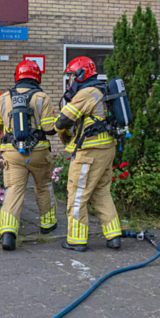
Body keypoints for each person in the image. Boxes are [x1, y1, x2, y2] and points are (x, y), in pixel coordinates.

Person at [0, 60, 60, 251]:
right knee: (43, 186)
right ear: (37, 77)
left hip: (11, 152)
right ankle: (47, 224)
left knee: (13, 189)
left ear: (17, 77)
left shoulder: (4, 98)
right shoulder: (42, 97)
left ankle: (8, 233)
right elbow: (49, 128)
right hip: (38, 152)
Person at [54, 56, 123, 251]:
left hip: (90, 152)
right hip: (106, 148)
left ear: (80, 74)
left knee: (77, 195)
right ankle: (114, 235)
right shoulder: (101, 89)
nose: (70, 80)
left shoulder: (86, 93)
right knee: (101, 192)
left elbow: (62, 121)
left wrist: (57, 125)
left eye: (71, 76)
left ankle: (76, 240)